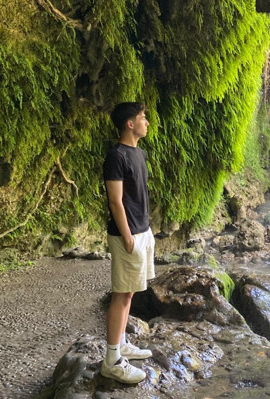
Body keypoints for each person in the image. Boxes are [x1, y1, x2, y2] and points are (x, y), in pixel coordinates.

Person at [100, 102, 155, 383]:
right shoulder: (116, 156)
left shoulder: (139, 153)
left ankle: (121, 343)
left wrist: (145, 232)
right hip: (127, 235)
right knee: (120, 294)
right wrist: (127, 236)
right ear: (130, 124)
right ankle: (111, 360)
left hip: (141, 232)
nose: (147, 122)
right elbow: (115, 201)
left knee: (130, 292)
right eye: (143, 118)